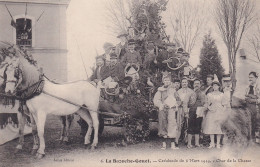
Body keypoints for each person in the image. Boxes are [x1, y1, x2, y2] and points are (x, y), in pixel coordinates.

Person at [153, 73, 179, 149]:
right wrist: (162, 105)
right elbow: (156, 100)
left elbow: (178, 100)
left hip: (171, 109)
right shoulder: (160, 90)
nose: (167, 81)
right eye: (165, 80)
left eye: (168, 80)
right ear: (163, 81)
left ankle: (172, 143)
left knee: (172, 125)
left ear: (170, 81)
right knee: (162, 124)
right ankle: (164, 143)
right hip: (163, 109)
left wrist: (175, 105)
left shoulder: (173, 90)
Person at [203, 76, 226, 148]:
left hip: (219, 112)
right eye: (213, 85)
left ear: (219, 86)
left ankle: (218, 143)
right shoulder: (209, 94)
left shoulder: (222, 94)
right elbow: (206, 103)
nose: (215, 87)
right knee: (211, 127)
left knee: (218, 127)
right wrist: (209, 108)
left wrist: (222, 110)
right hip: (212, 112)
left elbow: (224, 104)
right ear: (212, 86)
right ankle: (212, 143)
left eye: (216, 85)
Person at [177, 78, 196, 145]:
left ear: (187, 83)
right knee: (180, 124)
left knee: (188, 124)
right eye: (183, 82)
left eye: (185, 82)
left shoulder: (191, 91)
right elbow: (176, 100)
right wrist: (180, 103)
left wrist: (188, 104)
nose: (184, 84)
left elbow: (193, 101)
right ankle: (178, 139)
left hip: (188, 109)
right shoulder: (178, 92)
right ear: (181, 83)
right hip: (180, 109)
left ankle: (187, 139)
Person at [187, 79, 206, 148]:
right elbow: (187, 102)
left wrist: (203, 108)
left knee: (198, 126)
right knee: (190, 126)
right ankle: (189, 143)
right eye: (195, 83)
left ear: (200, 85)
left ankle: (196, 143)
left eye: (198, 83)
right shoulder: (190, 93)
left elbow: (204, 102)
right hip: (191, 110)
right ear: (193, 85)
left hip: (199, 111)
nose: (196, 85)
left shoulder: (202, 93)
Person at [245, 71, 260, 143]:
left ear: (256, 78)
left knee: (257, 120)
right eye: (249, 77)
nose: (250, 79)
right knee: (249, 121)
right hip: (248, 106)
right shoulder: (248, 87)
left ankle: (258, 137)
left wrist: (254, 100)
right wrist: (248, 98)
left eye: (251, 77)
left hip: (257, 107)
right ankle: (251, 137)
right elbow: (245, 96)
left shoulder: (258, 86)